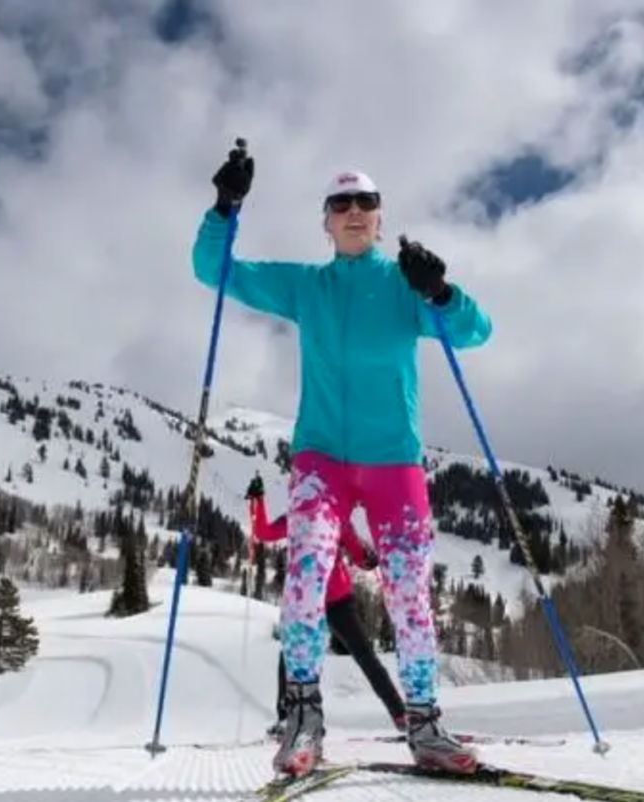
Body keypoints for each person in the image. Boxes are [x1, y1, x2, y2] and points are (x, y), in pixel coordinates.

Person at [193, 141, 492, 777]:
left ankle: (426, 724)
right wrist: (226, 205)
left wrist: (440, 290)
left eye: (367, 202)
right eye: (341, 203)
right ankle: (303, 720)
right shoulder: (307, 287)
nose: (355, 211)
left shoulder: (406, 288)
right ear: (325, 222)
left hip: (394, 463)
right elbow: (213, 269)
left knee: (411, 593)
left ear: (381, 219)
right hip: (321, 461)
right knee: (303, 580)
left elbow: (474, 332)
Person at [243, 474, 407, 739]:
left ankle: (401, 715)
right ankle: (401, 715)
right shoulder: (306, 518)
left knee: (353, 654)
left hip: (333, 599)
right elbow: (262, 532)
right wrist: (257, 500)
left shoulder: (326, 518)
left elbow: (357, 552)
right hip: (320, 600)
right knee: (306, 654)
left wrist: (367, 558)